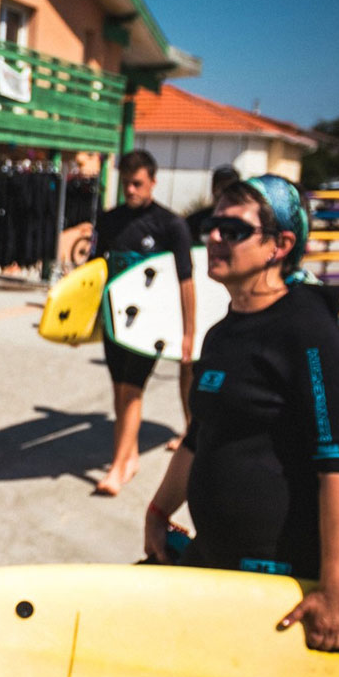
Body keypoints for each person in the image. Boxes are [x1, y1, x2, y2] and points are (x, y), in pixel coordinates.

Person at [143, 175, 339, 651]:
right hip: (213, 559)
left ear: (279, 245)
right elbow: (199, 435)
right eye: (212, 224)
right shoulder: (224, 332)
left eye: (234, 229)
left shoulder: (310, 333)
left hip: (275, 579)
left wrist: (335, 593)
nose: (214, 237)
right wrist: (159, 510)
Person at [92, 150, 194, 495]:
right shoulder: (109, 221)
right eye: (126, 184)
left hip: (151, 324)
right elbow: (95, 273)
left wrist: (188, 334)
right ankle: (130, 453)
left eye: (137, 184)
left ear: (153, 181)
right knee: (119, 389)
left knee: (133, 390)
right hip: (115, 319)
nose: (131, 191)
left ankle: (118, 468)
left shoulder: (171, 225)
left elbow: (186, 281)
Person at [184, 164, 241, 241]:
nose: (226, 193)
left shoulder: (245, 222)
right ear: (213, 189)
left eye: (231, 187)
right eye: (222, 187)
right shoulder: (195, 221)